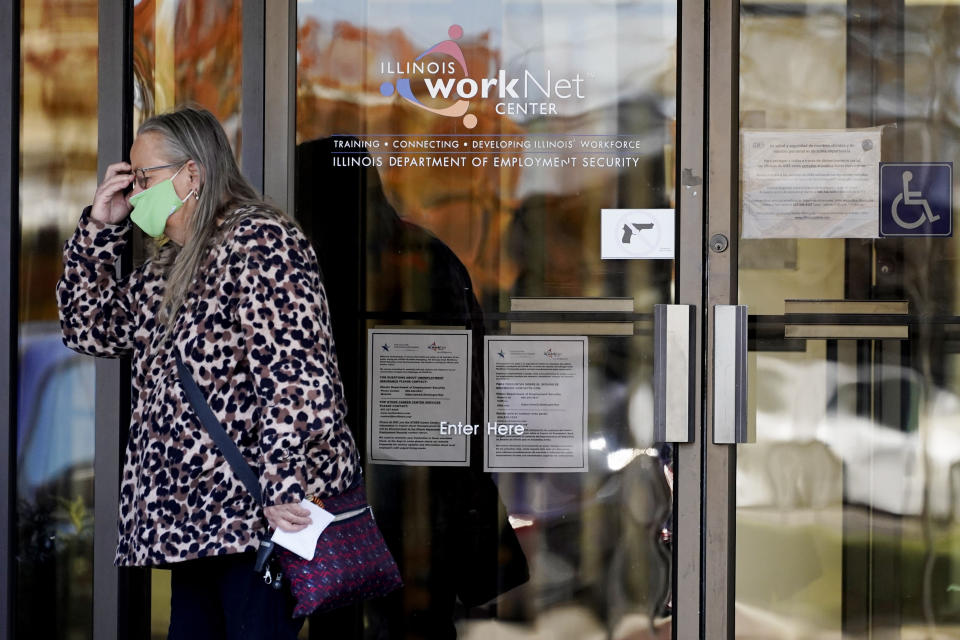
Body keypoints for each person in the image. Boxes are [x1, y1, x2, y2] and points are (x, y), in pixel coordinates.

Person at [55, 106, 360, 639]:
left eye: (143, 177)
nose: (135, 192)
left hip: (256, 523)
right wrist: (100, 227)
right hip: (192, 529)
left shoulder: (263, 243)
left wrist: (284, 488)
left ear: (191, 175)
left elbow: (297, 374)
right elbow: (89, 328)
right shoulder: (170, 264)